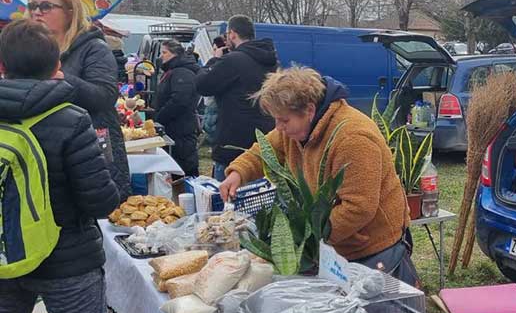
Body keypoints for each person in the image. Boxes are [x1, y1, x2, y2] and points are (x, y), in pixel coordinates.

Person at [0, 20, 120, 313]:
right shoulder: (70, 119)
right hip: (70, 260)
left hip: (6, 259)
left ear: (3, 66)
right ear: (57, 67)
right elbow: (101, 202)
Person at [219, 67, 418, 285]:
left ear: (310, 110)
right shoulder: (296, 127)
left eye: (283, 121)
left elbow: (358, 207)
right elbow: (266, 148)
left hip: (373, 248)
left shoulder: (353, 138)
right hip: (335, 247)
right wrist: (239, 172)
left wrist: (309, 239)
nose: (279, 127)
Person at [30, 0, 130, 200]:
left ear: (70, 12)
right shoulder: (36, 50)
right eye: (33, 6)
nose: (37, 12)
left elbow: (104, 96)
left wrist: (62, 79)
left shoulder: (94, 48)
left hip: (92, 146)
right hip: (49, 147)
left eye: (46, 6)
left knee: (97, 217)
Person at [195, 16, 276, 180]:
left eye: (227, 35)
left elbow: (202, 85)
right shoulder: (270, 60)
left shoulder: (233, 60)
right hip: (263, 144)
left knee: (226, 203)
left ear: (232, 34)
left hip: (233, 147)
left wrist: (214, 59)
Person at [154, 39, 200, 177]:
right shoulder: (172, 71)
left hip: (181, 130)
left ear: (174, 54)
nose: (161, 56)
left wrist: (159, 118)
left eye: (164, 52)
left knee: (183, 167)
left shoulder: (182, 72)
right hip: (174, 128)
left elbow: (180, 100)